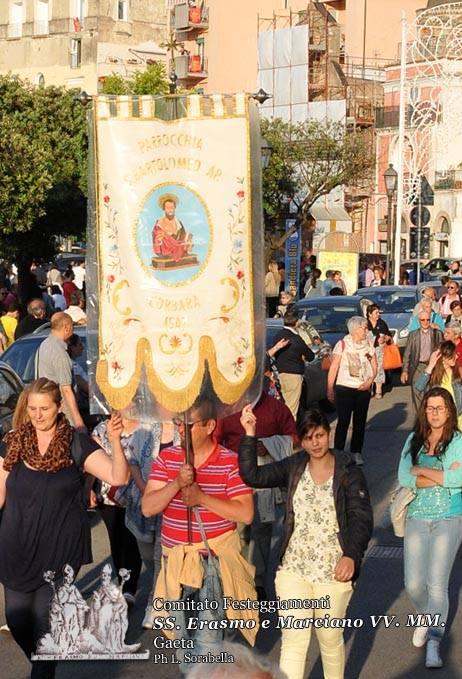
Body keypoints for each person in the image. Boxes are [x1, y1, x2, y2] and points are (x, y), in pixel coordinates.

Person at [0, 378, 130, 679]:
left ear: (59, 407)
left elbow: (117, 476)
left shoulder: (76, 442)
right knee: (17, 620)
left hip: (59, 549)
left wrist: (113, 441)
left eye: (44, 408)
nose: (37, 414)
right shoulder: (13, 441)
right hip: (16, 546)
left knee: (45, 624)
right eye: (32, 408)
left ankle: (45, 661)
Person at [239, 406, 373, 679]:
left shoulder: (348, 470)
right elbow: (252, 476)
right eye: (309, 437)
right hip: (294, 570)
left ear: (329, 433)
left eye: (320, 435)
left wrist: (351, 555)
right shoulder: (294, 465)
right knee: (294, 640)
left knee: (329, 639)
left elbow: (361, 518)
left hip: (333, 571)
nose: (316, 443)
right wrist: (249, 434)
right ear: (301, 439)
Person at [142, 400, 257, 667]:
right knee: (183, 651)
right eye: (178, 424)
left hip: (213, 565)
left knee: (207, 648)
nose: (181, 430)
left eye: (188, 425)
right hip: (176, 564)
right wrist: (176, 484)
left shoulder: (230, 461)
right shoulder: (167, 458)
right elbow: (148, 507)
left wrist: (202, 497)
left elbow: (245, 513)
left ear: (209, 426)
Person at [398, 387, 462, 669]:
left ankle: (434, 641)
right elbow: (403, 476)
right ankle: (425, 614)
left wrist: (421, 470)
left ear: (449, 411)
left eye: (440, 408)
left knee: (437, 584)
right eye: (430, 408)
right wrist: (441, 475)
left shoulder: (458, 441)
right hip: (416, 516)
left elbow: (457, 479)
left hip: (449, 517)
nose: (435, 413)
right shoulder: (414, 439)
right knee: (413, 583)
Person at [217, 387, 298, 599]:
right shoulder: (227, 409)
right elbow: (215, 442)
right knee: (238, 532)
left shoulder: (274, 407)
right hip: (235, 480)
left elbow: (295, 437)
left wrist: (269, 446)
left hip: (264, 479)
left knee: (262, 531)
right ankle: (239, 580)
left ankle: (257, 580)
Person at [327, 316, 377, 466]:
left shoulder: (368, 344)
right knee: (343, 421)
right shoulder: (342, 344)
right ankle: (338, 453)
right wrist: (330, 388)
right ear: (355, 329)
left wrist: (370, 381)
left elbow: (374, 366)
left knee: (360, 422)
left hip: (363, 388)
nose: (366, 331)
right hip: (344, 389)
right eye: (364, 328)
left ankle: (356, 452)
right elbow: (334, 367)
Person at [37, 312, 85, 431]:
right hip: (63, 413)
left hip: (48, 406)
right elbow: (66, 390)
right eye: (72, 328)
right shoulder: (60, 353)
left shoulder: (44, 345)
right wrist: (78, 422)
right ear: (66, 328)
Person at [272, 310, 315, 419]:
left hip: (280, 374)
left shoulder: (278, 335)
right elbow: (310, 356)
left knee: (284, 405)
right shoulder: (296, 339)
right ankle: (289, 433)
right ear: (296, 322)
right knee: (292, 409)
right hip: (293, 376)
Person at [401, 311, 443, 410]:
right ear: (418, 321)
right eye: (422, 320)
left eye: (428, 320)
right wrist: (404, 371)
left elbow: (442, 351)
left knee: (433, 392)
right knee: (417, 391)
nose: (425, 322)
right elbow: (407, 353)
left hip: (433, 366)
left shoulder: (437, 333)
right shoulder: (413, 335)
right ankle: (420, 417)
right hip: (417, 366)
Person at [415, 341, 462, 426]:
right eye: (453, 355)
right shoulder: (433, 376)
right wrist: (431, 365)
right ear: (444, 358)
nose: (457, 356)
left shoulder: (458, 373)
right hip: (441, 421)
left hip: (458, 420)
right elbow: (419, 386)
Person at [152, 194, 193, 263]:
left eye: (172, 207)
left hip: (179, 247)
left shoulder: (178, 223)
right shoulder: (159, 223)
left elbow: (183, 237)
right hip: (165, 250)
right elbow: (156, 240)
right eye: (168, 208)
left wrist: (188, 241)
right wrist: (159, 239)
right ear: (164, 208)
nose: (170, 210)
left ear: (174, 208)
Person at [366, 304, 392, 399]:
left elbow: (389, 336)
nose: (378, 315)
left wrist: (384, 338)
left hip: (379, 350)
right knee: (368, 369)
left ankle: (378, 390)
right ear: (370, 314)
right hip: (367, 350)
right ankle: (369, 388)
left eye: (378, 313)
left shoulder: (382, 324)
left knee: (379, 368)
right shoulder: (364, 324)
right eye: (376, 313)